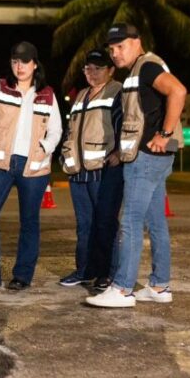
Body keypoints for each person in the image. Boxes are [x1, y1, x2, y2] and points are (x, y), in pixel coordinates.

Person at [86, 23, 186, 308]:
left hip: (147, 159)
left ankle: (122, 289)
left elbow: (178, 91)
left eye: (121, 46)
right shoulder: (138, 69)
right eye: (112, 49)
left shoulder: (147, 67)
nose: (116, 53)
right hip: (150, 159)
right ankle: (159, 286)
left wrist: (164, 134)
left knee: (129, 222)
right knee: (155, 223)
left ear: (137, 42)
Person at [0, 41, 62, 290]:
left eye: (25, 61)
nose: (19, 66)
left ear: (34, 64)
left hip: (33, 167)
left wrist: (45, 148)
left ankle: (22, 277)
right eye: (15, 61)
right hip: (0, 164)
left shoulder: (47, 94)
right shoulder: (1, 87)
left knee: (29, 222)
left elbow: (56, 129)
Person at [59, 49, 123, 289]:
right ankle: (85, 270)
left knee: (106, 224)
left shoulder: (117, 91)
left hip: (102, 170)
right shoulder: (81, 96)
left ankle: (108, 274)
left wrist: (120, 153)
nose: (92, 73)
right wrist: (65, 156)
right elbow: (71, 130)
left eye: (98, 69)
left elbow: (125, 125)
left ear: (110, 70)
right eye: (88, 69)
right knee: (84, 225)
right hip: (78, 171)